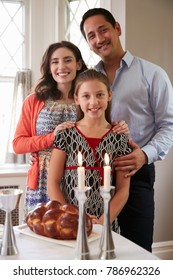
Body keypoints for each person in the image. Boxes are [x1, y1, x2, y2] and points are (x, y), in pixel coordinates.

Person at [80, 8, 173, 251]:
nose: (99, 39)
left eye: (103, 30)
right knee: (93, 244)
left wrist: (144, 155)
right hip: (91, 172)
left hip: (135, 171)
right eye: (91, 36)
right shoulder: (87, 79)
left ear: (117, 29)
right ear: (88, 43)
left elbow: (168, 126)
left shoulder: (153, 74)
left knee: (137, 248)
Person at [13, 41, 128, 217]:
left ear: (78, 64)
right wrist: (53, 137)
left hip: (77, 177)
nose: (61, 66)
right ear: (49, 67)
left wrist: (120, 128)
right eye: (55, 62)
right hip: (44, 179)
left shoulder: (88, 98)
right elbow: (18, 144)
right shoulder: (34, 100)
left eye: (67, 60)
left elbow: (101, 128)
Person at [47, 69, 131, 229]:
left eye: (100, 94)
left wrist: (103, 221)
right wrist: (71, 216)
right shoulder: (65, 134)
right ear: (76, 99)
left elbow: (123, 190)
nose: (93, 102)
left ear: (109, 95)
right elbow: (53, 183)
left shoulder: (120, 137)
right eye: (86, 96)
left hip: (106, 223)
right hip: (70, 222)